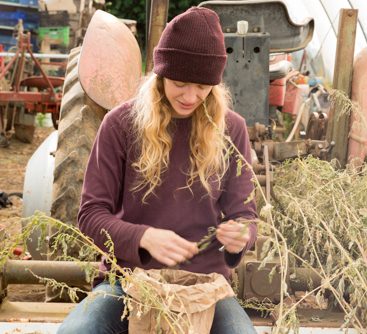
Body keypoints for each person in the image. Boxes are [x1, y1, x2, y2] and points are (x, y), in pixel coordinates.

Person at [57, 7, 258, 334]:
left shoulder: (231, 129)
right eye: (180, 83)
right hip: (128, 281)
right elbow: (91, 215)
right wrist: (143, 237)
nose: (191, 96)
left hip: (205, 289)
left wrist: (240, 236)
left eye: (203, 86)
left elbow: (245, 214)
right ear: (161, 74)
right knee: (76, 331)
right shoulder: (121, 125)